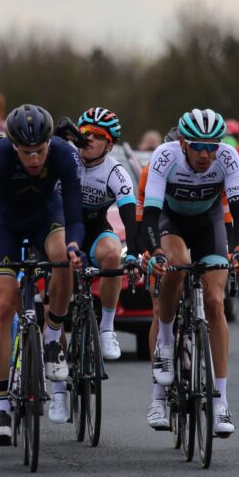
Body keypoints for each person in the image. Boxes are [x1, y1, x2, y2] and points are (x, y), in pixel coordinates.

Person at [0, 104, 85, 442]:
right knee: (2, 305)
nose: (34, 159)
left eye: (40, 151)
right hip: (5, 225)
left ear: (49, 143)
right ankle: (0, 405)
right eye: (26, 152)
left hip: (46, 218)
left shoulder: (64, 153)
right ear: (14, 146)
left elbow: (75, 216)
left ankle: (52, 335)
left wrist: (75, 245)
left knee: (61, 255)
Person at [143, 108, 239, 436]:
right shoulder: (165, 156)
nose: (205, 154)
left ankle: (220, 403)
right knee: (175, 265)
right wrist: (155, 251)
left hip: (208, 222)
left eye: (211, 147)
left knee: (216, 303)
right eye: (198, 147)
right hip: (171, 220)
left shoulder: (228, 157)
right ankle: (165, 348)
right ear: (183, 144)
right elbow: (150, 214)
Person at [73, 106, 140, 360]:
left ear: (109, 146)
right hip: (64, 232)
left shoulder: (116, 172)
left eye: (98, 135)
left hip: (95, 231)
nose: (89, 138)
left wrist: (133, 253)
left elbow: (130, 217)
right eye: (86, 132)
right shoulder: (66, 158)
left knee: (113, 253)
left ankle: (107, 328)